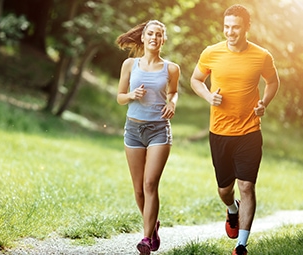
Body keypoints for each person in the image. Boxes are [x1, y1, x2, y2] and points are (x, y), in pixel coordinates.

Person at [190, 4, 280, 255]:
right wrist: (209, 97)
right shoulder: (211, 53)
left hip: (250, 131)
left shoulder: (261, 56)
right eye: (227, 27)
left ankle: (241, 245)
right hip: (220, 131)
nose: (230, 32)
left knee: (247, 186)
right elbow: (195, 80)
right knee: (224, 190)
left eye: (236, 27)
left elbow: (273, 81)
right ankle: (232, 210)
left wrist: (264, 103)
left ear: (247, 28)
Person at [116, 20, 180, 255]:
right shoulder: (129, 65)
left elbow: (173, 91)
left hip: (159, 131)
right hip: (133, 130)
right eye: (150, 33)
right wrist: (132, 94)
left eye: (159, 34)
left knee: (150, 184)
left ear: (163, 40)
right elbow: (120, 97)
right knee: (138, 189)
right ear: (143, 38)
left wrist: (172, 103)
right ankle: (152, 227)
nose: (154, 37)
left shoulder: (171, 68)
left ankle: (145, 238)